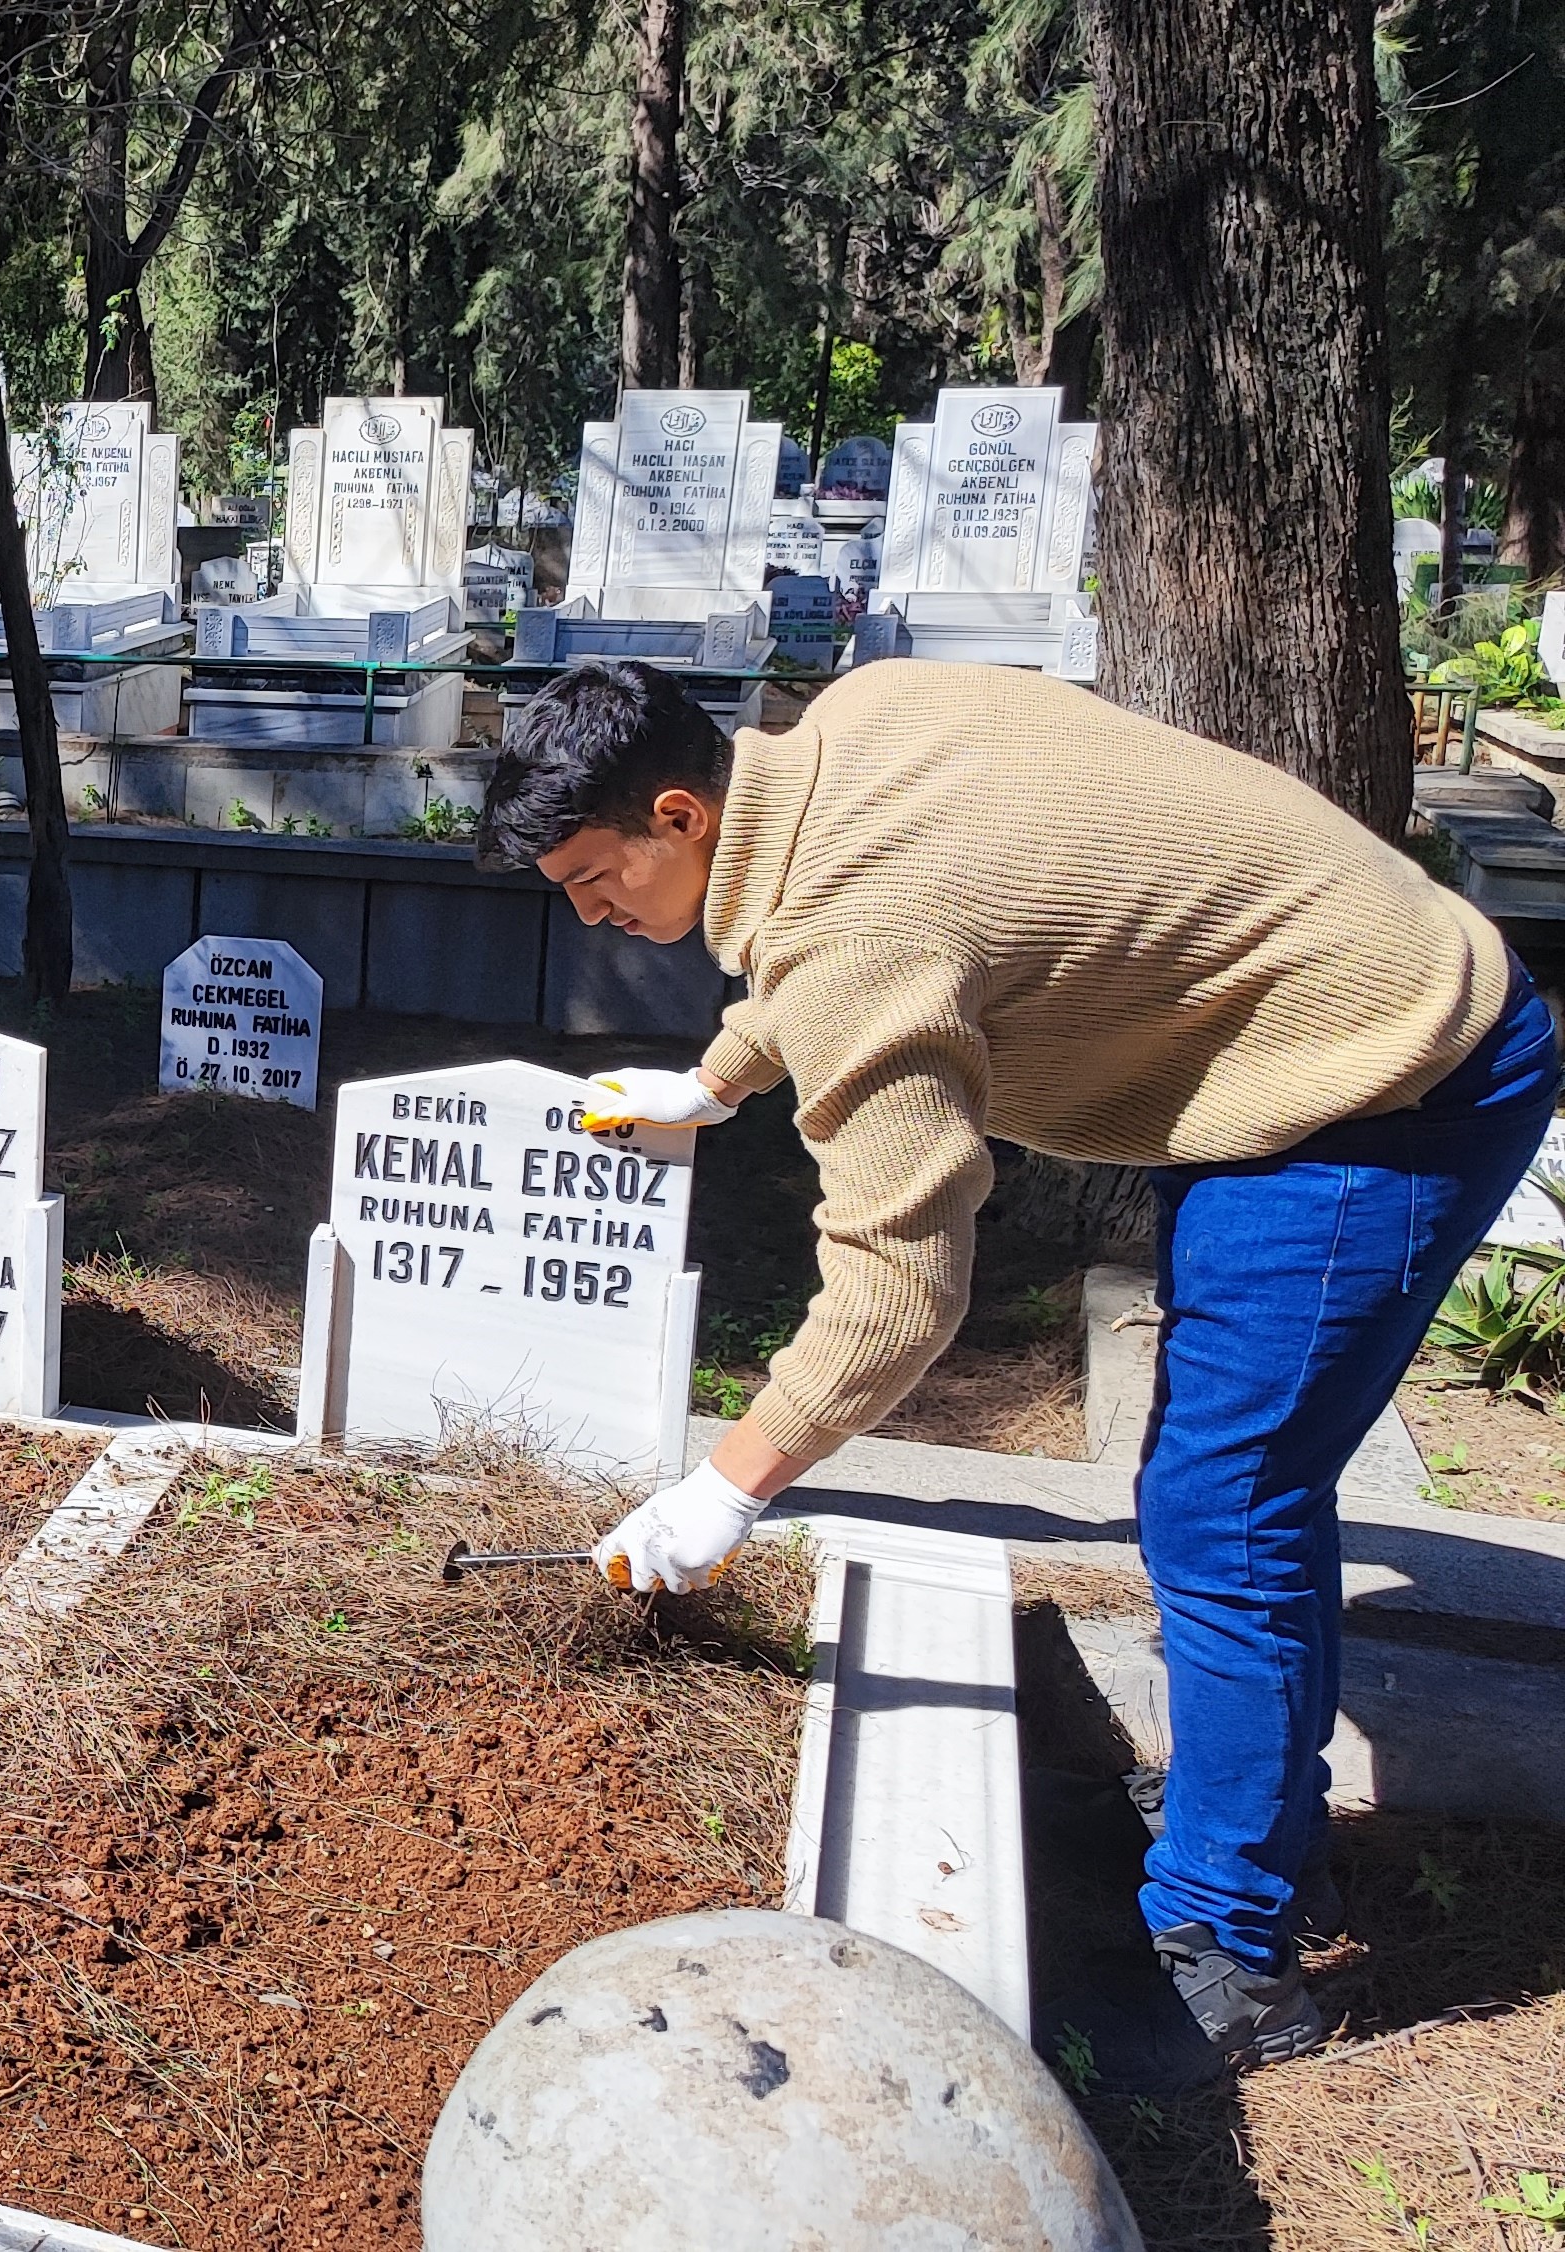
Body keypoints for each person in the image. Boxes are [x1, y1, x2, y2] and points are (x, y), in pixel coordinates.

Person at [492, 657, 1548, 2074]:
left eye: (590, 875)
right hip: (1303, 1014)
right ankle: (1247, 1832)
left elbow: (897, 1294)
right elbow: (870, 916)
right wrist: (724, 1075)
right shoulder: (843, 733)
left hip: (1380, 1080)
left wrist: (728, 1486)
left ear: (679, 812)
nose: (589, 911)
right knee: (1222, 1499)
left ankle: (1230, 1955)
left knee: (1225, 1507)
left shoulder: (851, 934)